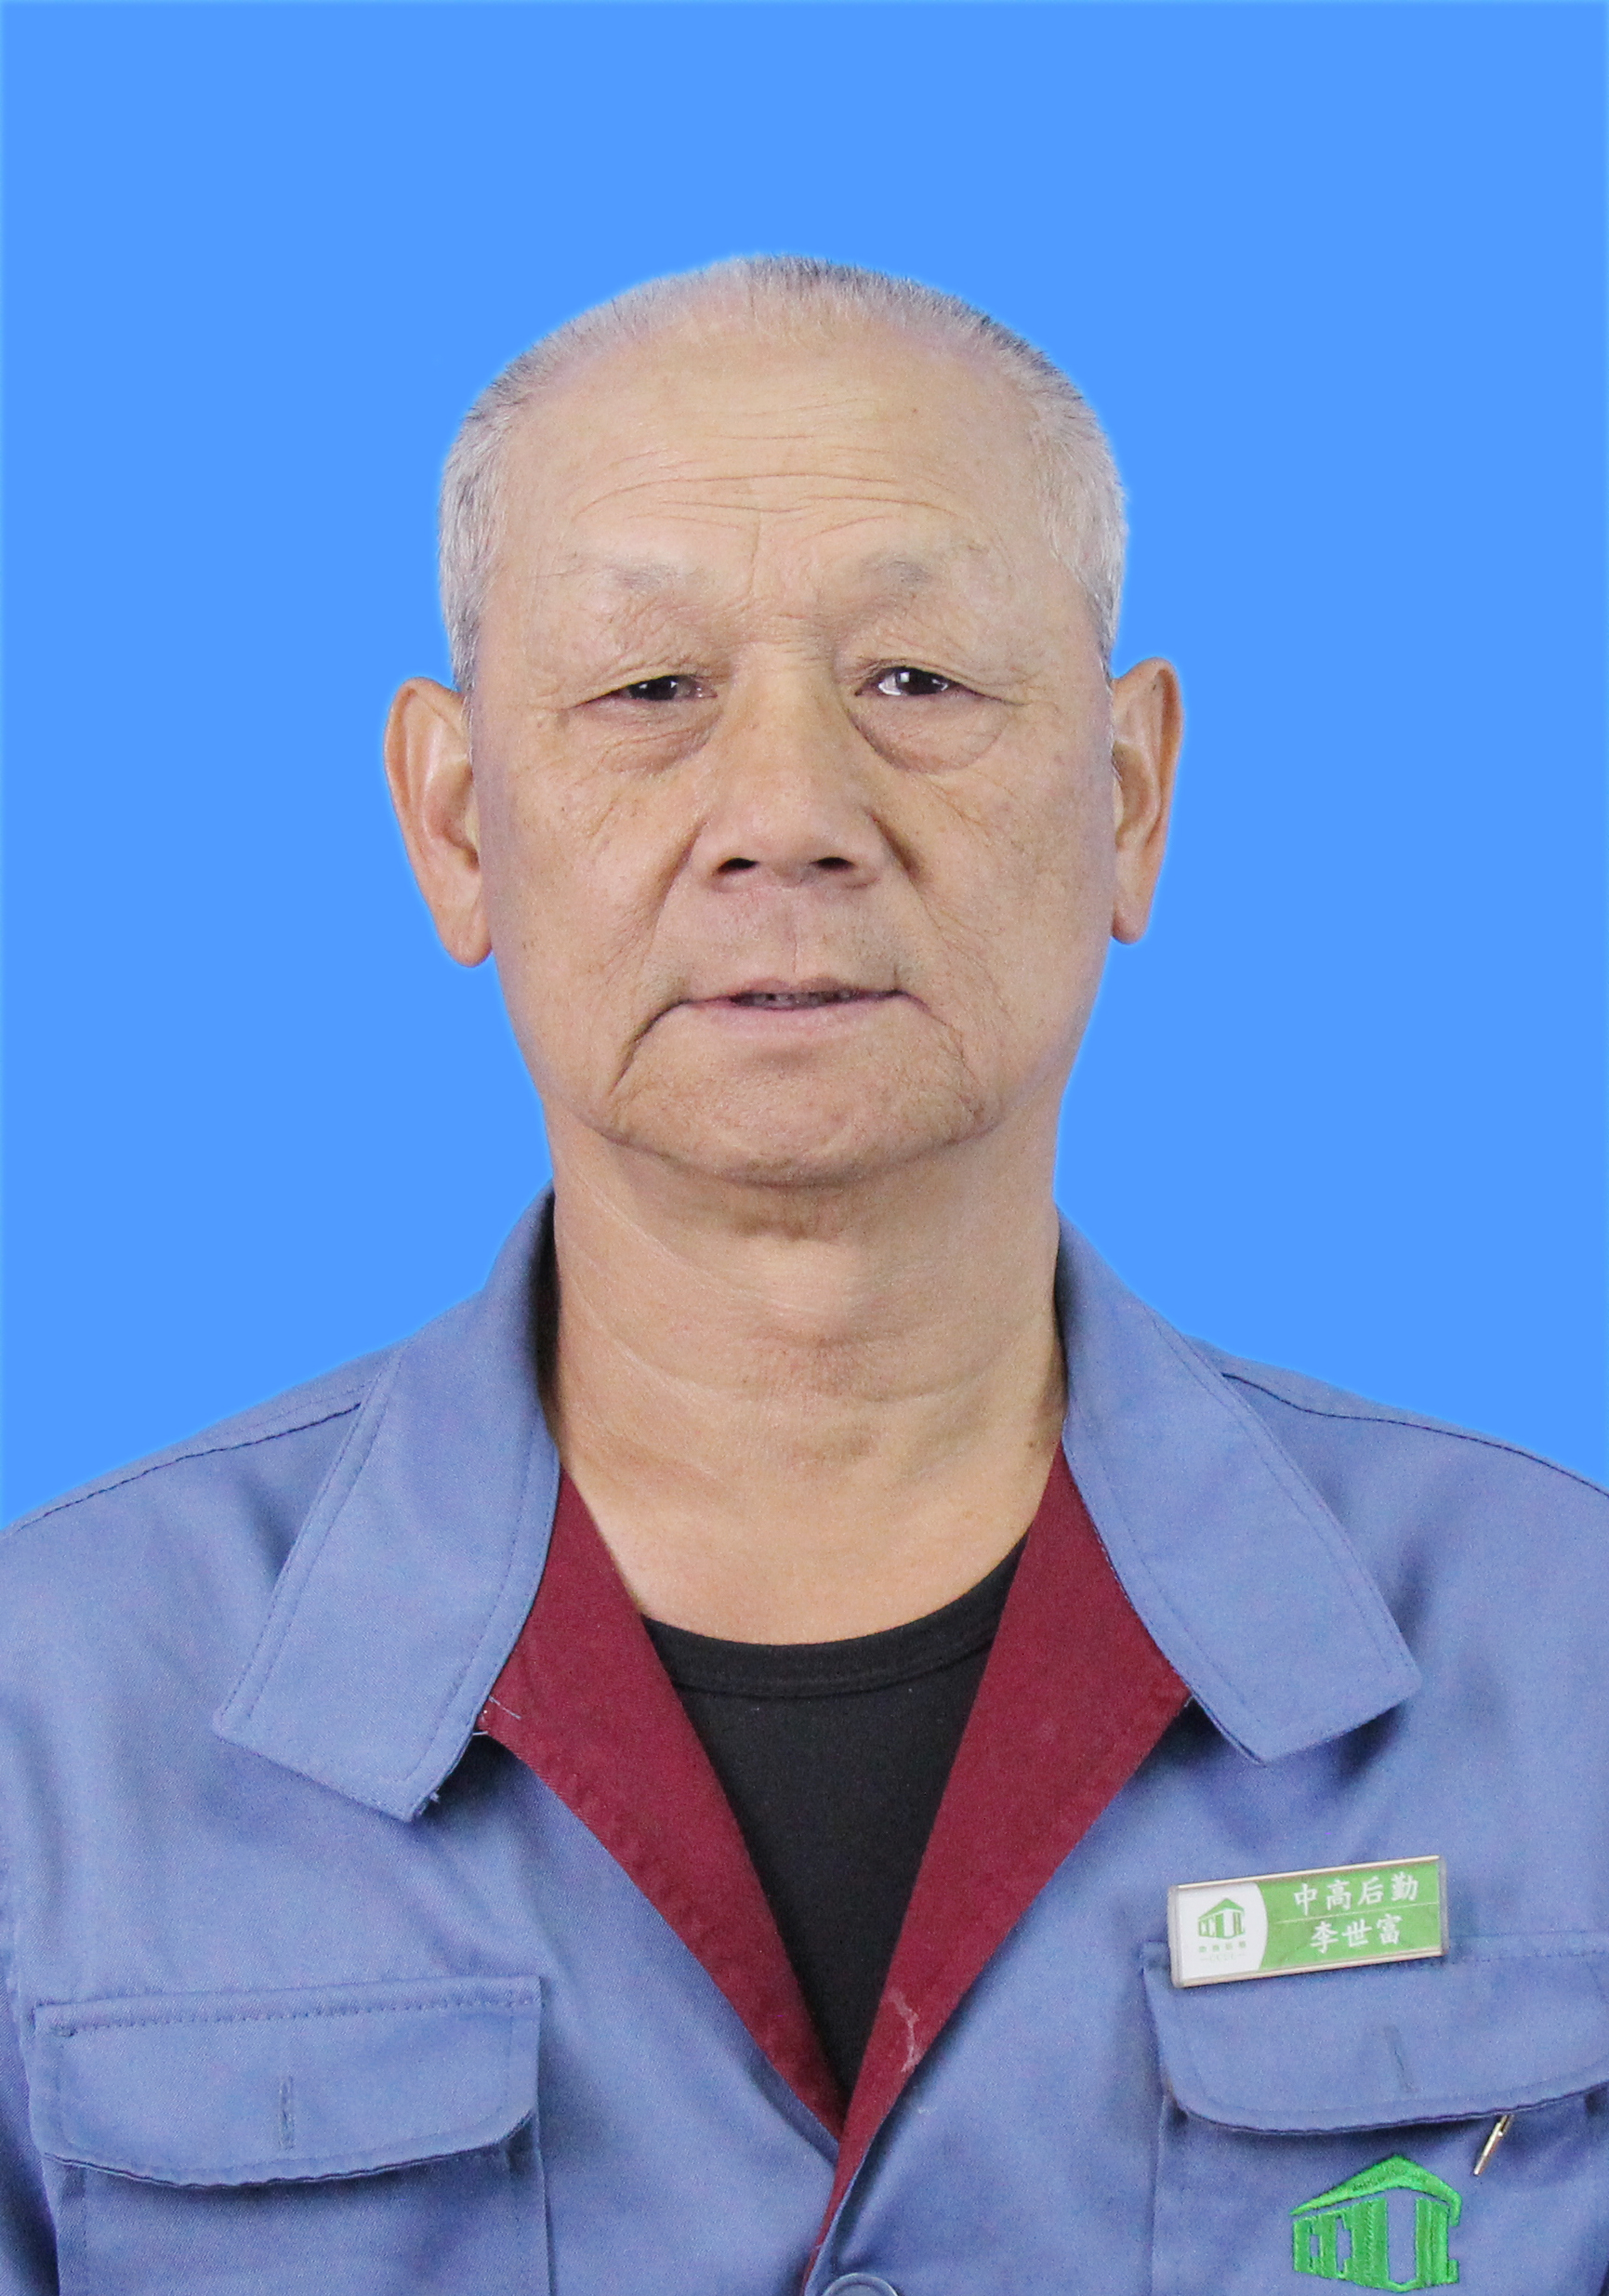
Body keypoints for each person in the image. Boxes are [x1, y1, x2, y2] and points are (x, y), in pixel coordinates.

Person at [2, 257, 1605, 2296]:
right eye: (649, 689)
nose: (785, 814)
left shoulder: (1566, 1672)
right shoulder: (50, 1729)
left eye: (915, 681)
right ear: (456, 822)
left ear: (1127, 797)